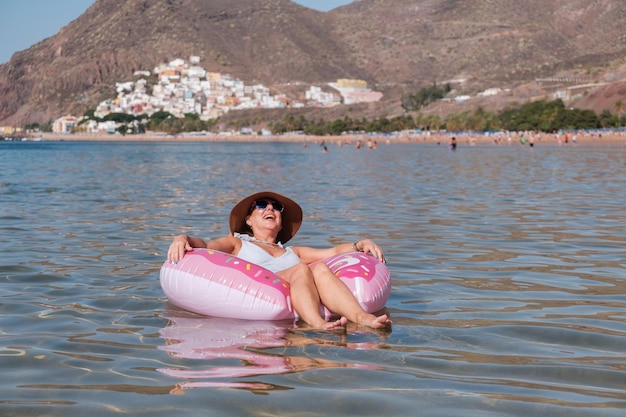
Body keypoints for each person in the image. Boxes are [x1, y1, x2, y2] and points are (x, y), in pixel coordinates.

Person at [167, 191, 391, 330]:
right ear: (248, 220)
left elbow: (333, 252)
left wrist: (361, 244)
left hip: (296, 286)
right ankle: (316, 323)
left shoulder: (294, 252)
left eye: (276, 207)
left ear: (281, 223)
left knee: (320, 268)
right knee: (301, 271)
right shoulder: (238, 244)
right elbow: (206, 246)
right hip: (261, 289)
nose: (271, 208)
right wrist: (182, 238)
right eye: (262, 205)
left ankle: (362, 318)